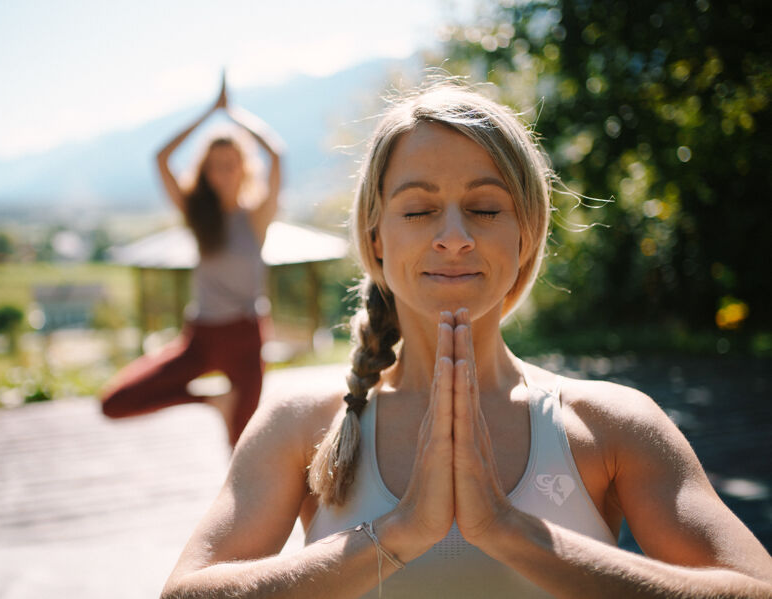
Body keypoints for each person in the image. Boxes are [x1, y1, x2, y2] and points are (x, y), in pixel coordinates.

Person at [159, 82, 772, 598]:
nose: (453, 236)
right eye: (418, 210)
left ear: (527, 234)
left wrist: (511, 532)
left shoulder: (611, 425)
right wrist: (397, 534)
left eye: (484, 208)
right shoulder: (301, 426)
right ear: (376, 238)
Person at [101, 76, 282, 448]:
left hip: (247, 341)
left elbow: (278, 155)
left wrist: (233, 115)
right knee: (114, 403)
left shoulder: (256, 216)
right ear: (205, 173)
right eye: (215, 166)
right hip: (201, 338)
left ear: (244, 168)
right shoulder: (198, 216)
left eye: (231, 164)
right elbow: (161, 158)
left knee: (241, 448)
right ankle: (211, 400)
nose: (224, 172)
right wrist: (208, 114)